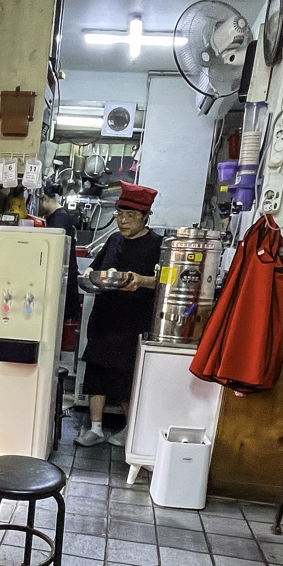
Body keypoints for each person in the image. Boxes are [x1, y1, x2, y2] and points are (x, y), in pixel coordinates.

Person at [76, 182, 161, 447]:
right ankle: (96, 428)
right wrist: (89, 278)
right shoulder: (113, 240)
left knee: (126, 376)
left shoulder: (157, 244)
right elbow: (93, 270)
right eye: (119, 215)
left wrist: (141, 280)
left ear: (146, 217)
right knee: (96, 371)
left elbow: (164, 281)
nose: (123, 221)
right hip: (104, 316)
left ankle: (130, 430)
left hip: (133, 319)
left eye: (130, 216)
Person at [40, 185, 82, 323]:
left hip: (63, 279)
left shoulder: (58, 219)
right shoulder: (60, 215)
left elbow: (55, 253)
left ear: (44, 198)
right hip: (66, 277)